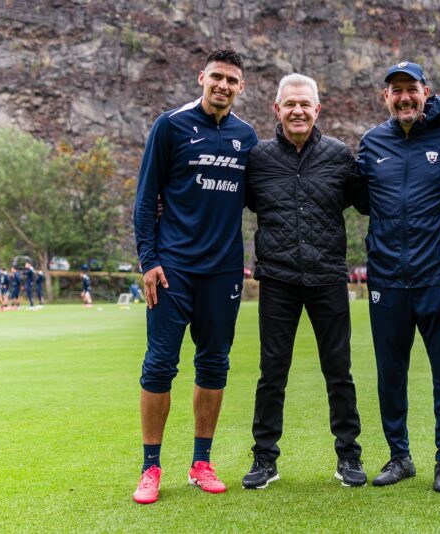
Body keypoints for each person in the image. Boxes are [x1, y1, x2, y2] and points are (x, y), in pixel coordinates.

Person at [132, 48, 257, 505]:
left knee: (214, 365)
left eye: (232, 81)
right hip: (172, 270)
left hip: (223, 272)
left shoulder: (247, 136)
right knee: (160, 365)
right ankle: (150, 469)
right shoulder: (171, 126)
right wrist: (148, 260)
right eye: (217, 77)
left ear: (241, 88)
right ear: (201, 77)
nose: (223, 86)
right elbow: (146, 198)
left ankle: (201, 463)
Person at [241, 73, 368, 490]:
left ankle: (349, 457)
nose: (298, 110)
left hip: (327, 277)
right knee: (272, 372)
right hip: (277, 278)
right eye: (289, 104)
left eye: (305, 104)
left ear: (318, 109)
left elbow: (366, 201)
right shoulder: (257, 159)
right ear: (276, 109)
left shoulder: (339, 156)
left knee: (339, 371)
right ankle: (265, 459)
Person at [357, 61, 440, 493]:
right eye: (395, 90)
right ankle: (400, 457)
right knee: (390, 374)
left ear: (426, 92)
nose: (403, 97)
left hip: (439, 278)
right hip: (386, 281)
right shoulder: (371, 143)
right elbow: (363, 202)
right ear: (385, 96)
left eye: (411, 89)